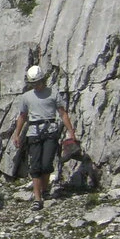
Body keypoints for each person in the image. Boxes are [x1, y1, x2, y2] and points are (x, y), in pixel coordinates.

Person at [11, 65, 77, 211]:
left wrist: (71, 132)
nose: (36, 85)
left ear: (43, 80)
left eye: (37, 82)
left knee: (46, 164)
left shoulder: (53, 94)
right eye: (33, 83)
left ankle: (45, 189)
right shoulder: (26, 97)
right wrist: (17, 134)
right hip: (33, 133)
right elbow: (22, 116)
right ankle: (37, 198)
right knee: (35, 166)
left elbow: (63, 113)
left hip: (50, 132)